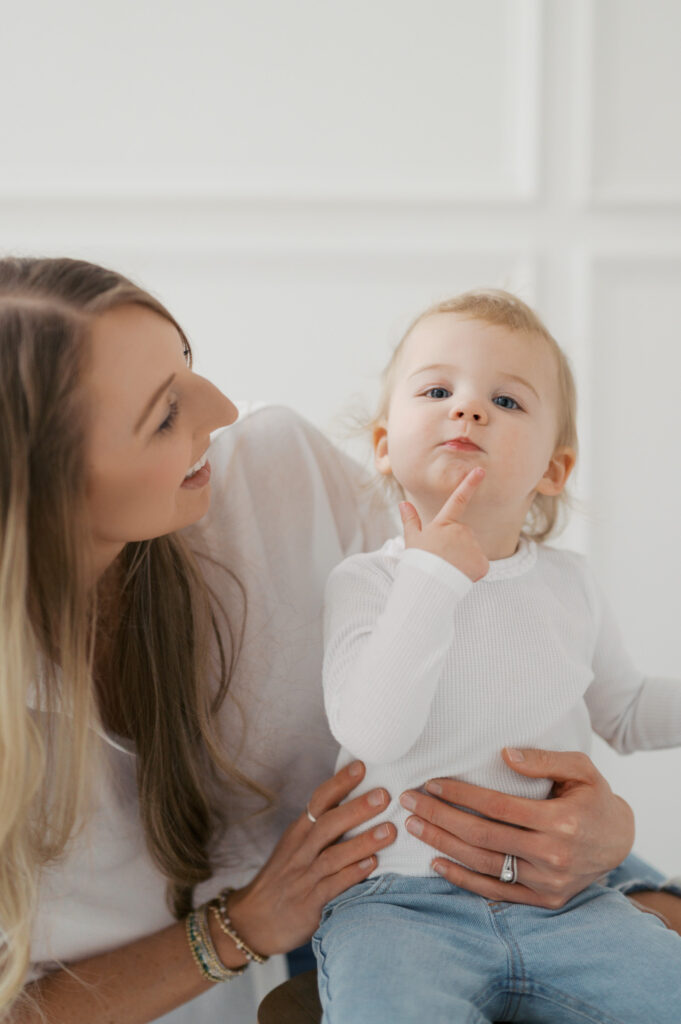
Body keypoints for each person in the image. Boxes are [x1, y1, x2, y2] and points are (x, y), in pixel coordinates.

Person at [0, 261, 674, 1024]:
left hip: (511, 884)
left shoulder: (272, 471)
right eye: (163, 414)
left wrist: (605, 840)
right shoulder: (379, 579)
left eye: (187, 365)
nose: (221, 409)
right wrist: (241, 929)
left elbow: (484, 677)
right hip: (342, 937)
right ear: (45, 489)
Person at [316, 289, 681, 1023]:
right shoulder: (369, 583)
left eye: (506, 402)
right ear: (385, 444)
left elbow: (626, 711)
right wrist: (433, 575)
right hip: (398, 907)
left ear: (554, 469)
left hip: (568, 903)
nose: (468, 409)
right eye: (438, 390)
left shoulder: (567, 583)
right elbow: (373, 732)